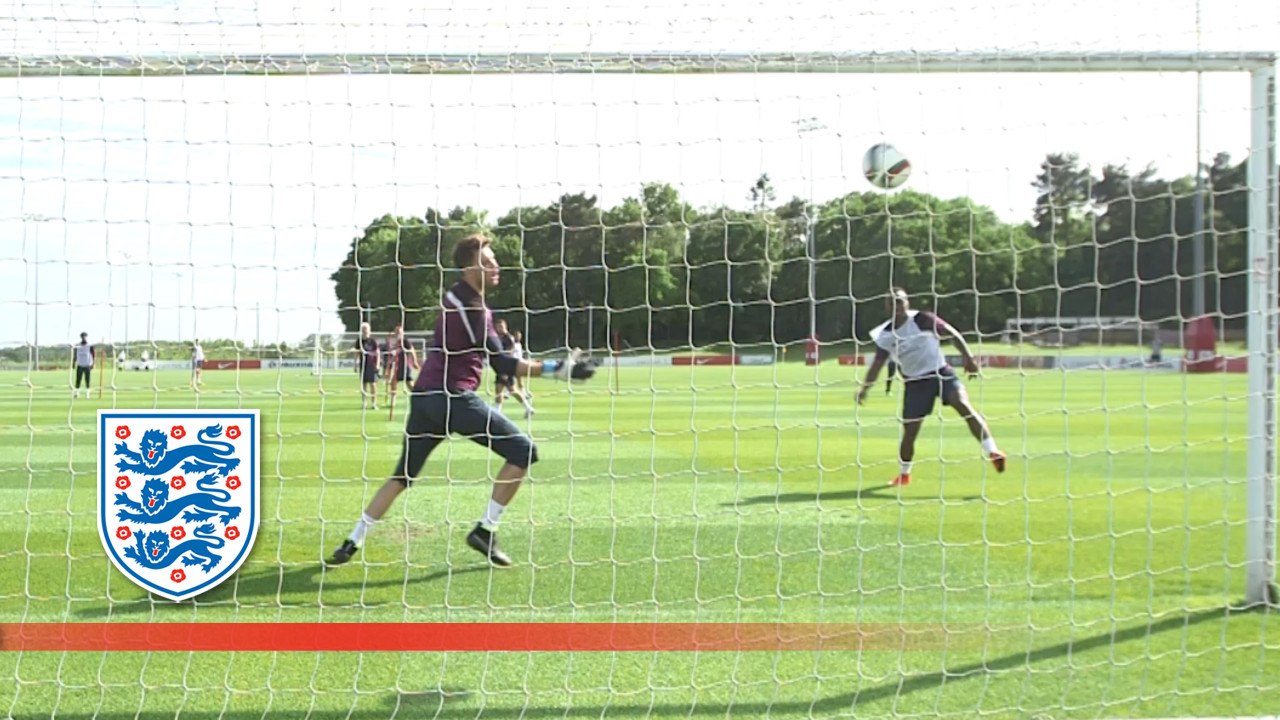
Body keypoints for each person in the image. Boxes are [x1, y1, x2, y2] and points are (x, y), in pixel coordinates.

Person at [329, 234, 595, 568]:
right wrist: (559, 369)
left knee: (403, 476)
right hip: (452, 399)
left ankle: (351, 542)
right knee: (524, 451)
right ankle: (485, 530)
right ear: (469, 268)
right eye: (487, 261)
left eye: (494, 259)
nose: (496, 266)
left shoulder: (455, 297)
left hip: (425, 399)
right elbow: (503, 364)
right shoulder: (473, 309)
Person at [857, 287, 1006, 487]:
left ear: (907, 303)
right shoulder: (884, 335)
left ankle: (993, 451)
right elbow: (877, 364)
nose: (896, 306)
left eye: (899, 301)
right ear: (886, 307)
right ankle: (904, 474)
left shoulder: (922, 319)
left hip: (940, 373)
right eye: (891, 303)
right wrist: (865, 389)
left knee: (963, 405)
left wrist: (968, 357)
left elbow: (952, 333)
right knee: (910, 432)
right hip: (915, 384)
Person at [492, 319, 534, 419]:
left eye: (501, 326)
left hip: (506, 367)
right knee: (501, 390)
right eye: (498, 326)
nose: (499, 328)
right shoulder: (499, 337)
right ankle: (498, 412)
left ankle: (528, 408)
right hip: (501, 367)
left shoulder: (508, 338)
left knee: (511, 390)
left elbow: (509, 352)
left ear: (505, 327)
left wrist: (505, 369)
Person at [385, 324, 420, 417]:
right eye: (396, 332)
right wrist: (390, 361)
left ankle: (419, 398)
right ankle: (393, 403)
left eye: (399, 332)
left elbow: (412, 350)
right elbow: (395, 355)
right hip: (399, 367)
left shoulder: (405, 342)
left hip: (405, 367)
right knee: (393, 384)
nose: (398, 334)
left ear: (402, 333)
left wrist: (415, 362)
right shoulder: (397, 343)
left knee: (410, 386)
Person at [354, 322, 380, 410]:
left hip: (371, 365)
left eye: (366, 329)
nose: (365, 331)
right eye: (363, 329)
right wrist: (355, 364)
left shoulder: (373, 341)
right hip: (363, 365)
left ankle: (374, 403)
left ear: (369, 330)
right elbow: (357, 353)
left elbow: (377, 353)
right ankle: (364, 403)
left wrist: (377, 364)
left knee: (373, 385)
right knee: (364, 385)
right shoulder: (359, 341)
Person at [72, 332, 94, 399]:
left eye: (85, 336)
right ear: (81, 337)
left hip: (87, 365)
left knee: (87, 380)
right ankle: (76, 393)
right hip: (80, 365)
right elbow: (75, 354)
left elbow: (93, 355)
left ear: (87, 337)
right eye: (82, 336)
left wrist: (93, 363)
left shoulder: (90, 345)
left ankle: (87, 394)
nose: (84, 338)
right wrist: (74, 362)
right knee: (78, 380)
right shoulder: (77, 345)